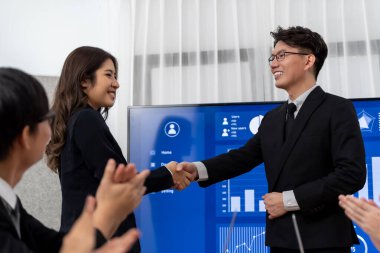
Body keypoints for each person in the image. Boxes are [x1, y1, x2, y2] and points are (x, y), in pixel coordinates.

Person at [177, 26, 366, 253]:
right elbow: (243, 158)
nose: (273, 63)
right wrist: (196, 170)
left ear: (308, 61)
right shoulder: (273, 118)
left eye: (282, 55)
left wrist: (288, 200)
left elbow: (351, 174)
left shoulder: (338, 109)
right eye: (272, 57)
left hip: (324, 240)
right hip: (281, 240)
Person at [45, 46, 191, 253]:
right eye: (109, 75)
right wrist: (168, 174)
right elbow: (119, 182)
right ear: (84, 80)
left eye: (116, 76)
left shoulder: (74, 120)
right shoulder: (87, 119)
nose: (117, 83)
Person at [0, 67, 148, 252]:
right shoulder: (85, 118)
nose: (116, 83)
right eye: (47, 118)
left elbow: (56, 245)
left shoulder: (9, 203)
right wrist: (107, 214)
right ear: (25, 136)